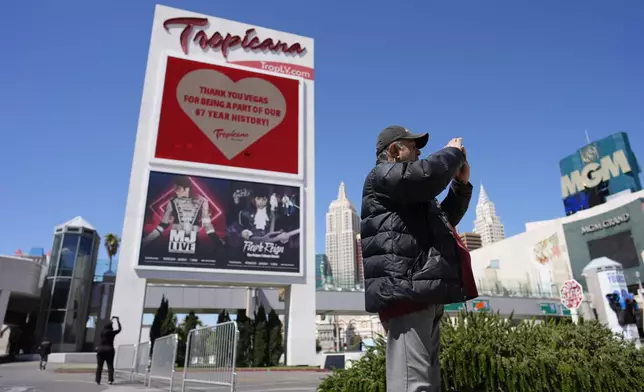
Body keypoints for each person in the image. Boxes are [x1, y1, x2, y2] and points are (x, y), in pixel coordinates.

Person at [361, 125, 479, 392]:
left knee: (428, 383)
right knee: (412, 385)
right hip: (406, 293)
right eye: (413, 146)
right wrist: (452, 153)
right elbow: (428, 175)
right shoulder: (382, 175)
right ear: (394, 150)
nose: (419, 152)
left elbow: (442, 223)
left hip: (422, 292)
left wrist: (460, 186)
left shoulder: (407, 191)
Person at [96, 316, 121, 385]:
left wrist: (110, 320)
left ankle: (98, 380)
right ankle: (110, 380)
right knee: (110, 365)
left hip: (101, 350)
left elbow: (106, 325)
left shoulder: (102, 332)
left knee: (99, 366)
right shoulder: (112, 332)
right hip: (109, 350)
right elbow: (119, 329)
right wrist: (117, 321)